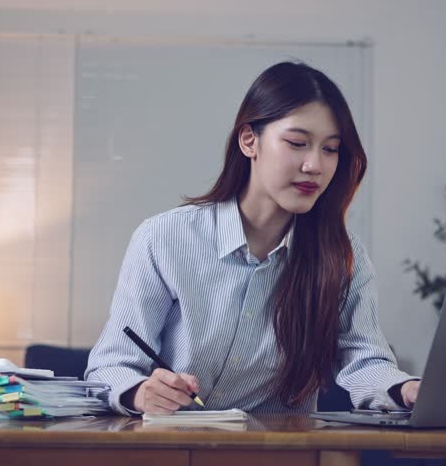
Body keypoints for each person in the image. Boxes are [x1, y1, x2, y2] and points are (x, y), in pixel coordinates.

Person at [85, 61, 421, 415]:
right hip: (172, 447)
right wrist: (140, 392)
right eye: (297, 143)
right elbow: (110, 366)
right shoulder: (164, 238)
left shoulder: (343, 255)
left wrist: (406, 389)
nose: (315, 165)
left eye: (330, 149)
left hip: (279, 453)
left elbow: (364, 361)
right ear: (249, 141)